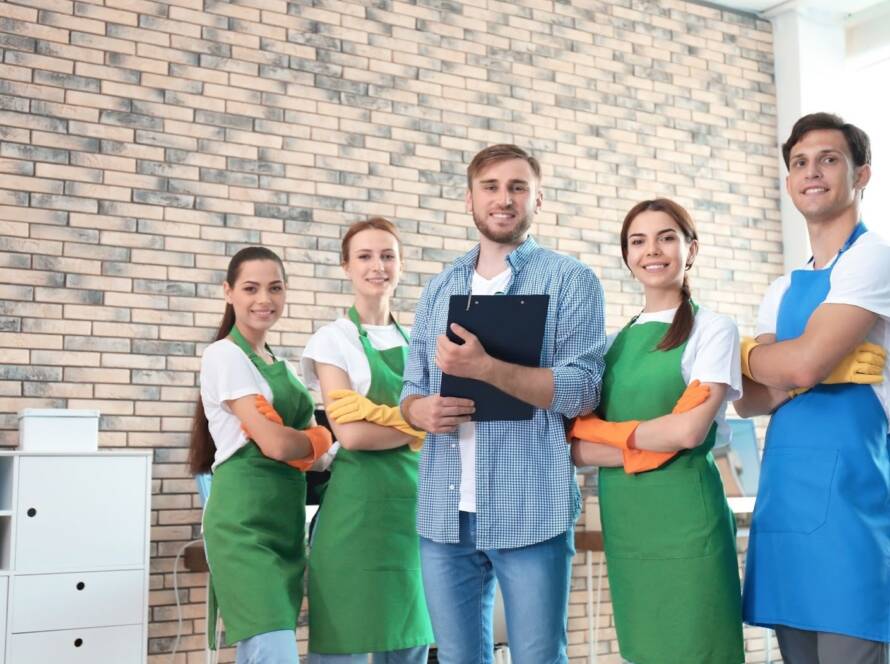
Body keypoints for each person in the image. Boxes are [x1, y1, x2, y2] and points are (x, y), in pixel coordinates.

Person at [399, 144, 605, 664]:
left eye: (517, 187)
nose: (503, 198)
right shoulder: (438, 288)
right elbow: (410, 391)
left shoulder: (571, 280)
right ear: (470, 200)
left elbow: (582, 390)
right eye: (490, 187)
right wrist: (418, 412)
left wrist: (486, 368)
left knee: (538, 657)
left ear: (538, 198)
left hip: (530, 504)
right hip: (445, 515)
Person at [735, 112, 890, 663]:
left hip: (854, 508)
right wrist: (768, 362)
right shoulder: (782, 288)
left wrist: (759, 355)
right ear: (788, 182)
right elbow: (752, 395)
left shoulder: (873, 259)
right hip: (786, 510)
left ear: (861, 174)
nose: (812, 171)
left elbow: (796, 369)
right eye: (800, 162)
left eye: (829, 159)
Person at [570, 198, 745, 664]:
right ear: (627, 256)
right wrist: (652, 438)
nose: (653, 250)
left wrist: (606, 437)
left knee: (700, 650)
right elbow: (576, 448)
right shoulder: (611, 344)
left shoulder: (713, 329)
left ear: (691, 249)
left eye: (667, 237)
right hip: (629, 527)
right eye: (638, 240)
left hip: (689, 524)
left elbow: (689, 433)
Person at [189, 246, 332, 664]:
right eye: (250, 288)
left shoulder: (283, 368)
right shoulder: (223, 356)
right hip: (242, 527)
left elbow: (304, 451)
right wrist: (320, 438)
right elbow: (277, 444)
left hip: (285, 527)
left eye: (275, 288)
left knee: (267, 650)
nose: (263, 299)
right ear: (228, 292)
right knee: (274, 651)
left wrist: (310, 444)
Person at [300, 217, 433, 663]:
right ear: (346, 266)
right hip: (353, 522)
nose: (378, 266)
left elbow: (446, 423)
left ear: (401, 265)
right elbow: (353, 435)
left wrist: (397, 423)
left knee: (410, 647)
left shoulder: (420, 343)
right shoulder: (331, 340)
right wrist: (420, 424)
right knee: (345, 648)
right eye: (365, 256)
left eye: (387, 255)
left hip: (413, 518)